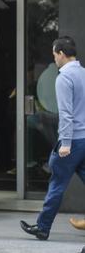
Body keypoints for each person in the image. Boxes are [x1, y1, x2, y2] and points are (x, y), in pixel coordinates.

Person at [21, 36, 85, 240]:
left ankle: (42, 227)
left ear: (61, 54)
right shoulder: (83, 74)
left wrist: (65, 143)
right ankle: (42, 226)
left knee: (57, 183)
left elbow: (66, 114)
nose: (54, 59)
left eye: (55, 54)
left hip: (72, 141)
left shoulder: (64, 78)